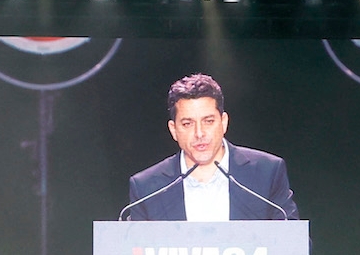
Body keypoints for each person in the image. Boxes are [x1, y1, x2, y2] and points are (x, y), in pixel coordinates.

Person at [122, 75, 298, 221]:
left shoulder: (267, 172)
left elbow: (296, 246)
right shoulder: (147, 188)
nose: (200, 133)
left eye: (208, 121)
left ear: (224, 122)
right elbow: (131, 254)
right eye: (187, 123)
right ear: (173, 130)